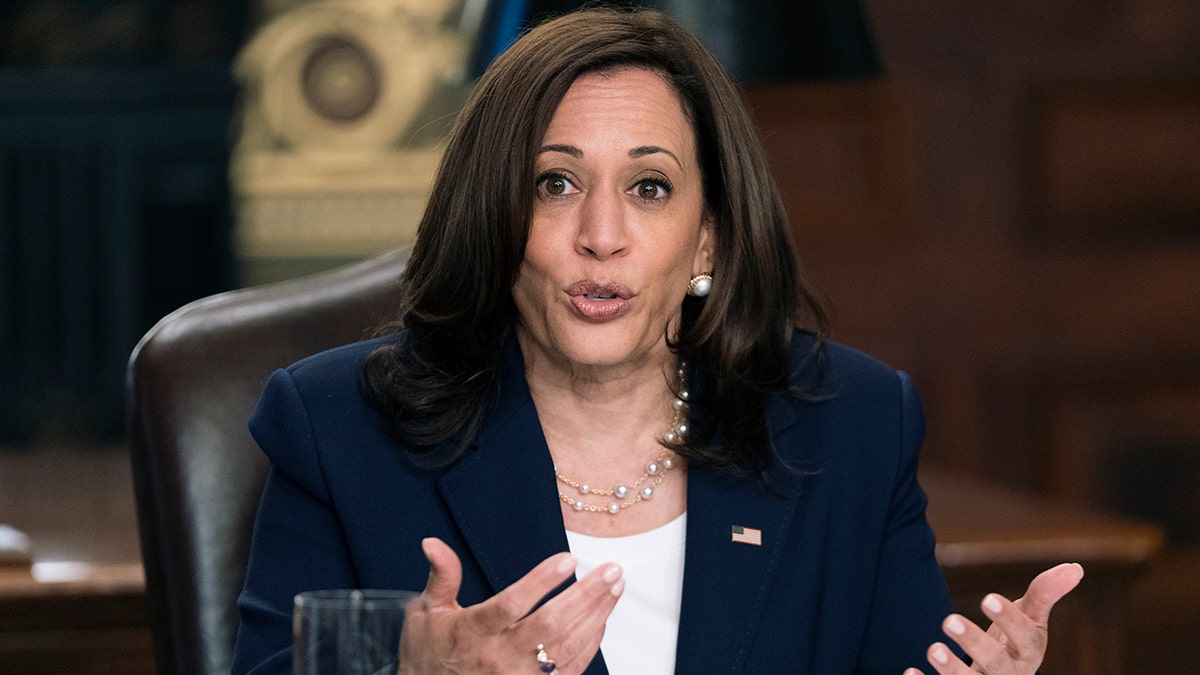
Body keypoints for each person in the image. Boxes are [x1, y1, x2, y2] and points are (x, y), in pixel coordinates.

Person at [230, 7, 1083, 675]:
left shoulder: (848, 424)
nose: (602, 234)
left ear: (707, 238)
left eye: (649, 185)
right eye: (555, 182)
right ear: (497, 217)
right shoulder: (339, 428)